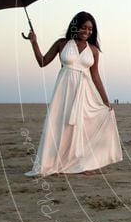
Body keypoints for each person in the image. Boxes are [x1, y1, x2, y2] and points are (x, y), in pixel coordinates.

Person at [24, 11, 122, 177]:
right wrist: (34, 42)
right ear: (75, 26)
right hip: (63, 90)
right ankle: (53, 165)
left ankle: (83, 164)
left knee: (83, 127)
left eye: (91, 29)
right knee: (59, 125)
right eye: (84, 27)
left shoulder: (93, 50)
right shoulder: (62, 43)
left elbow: (95, 75)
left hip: (85, 91)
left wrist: (106, 101)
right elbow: (42, 61)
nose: (87, 31)